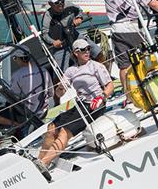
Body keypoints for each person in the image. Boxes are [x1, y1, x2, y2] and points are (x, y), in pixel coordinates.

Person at [37, 39, 114, 176]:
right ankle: (39, 161)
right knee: (52, 129)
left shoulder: (96, 66)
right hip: (80, 104)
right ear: (76, 53)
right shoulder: (71, 71)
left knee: (64, 132)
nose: (87, 52)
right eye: (83, 50)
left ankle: (45, 163)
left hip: (95, 104)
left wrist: (102, 97)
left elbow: (110, 86)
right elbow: (60, 92)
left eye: (88, 49)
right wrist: (60, 89)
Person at [0, 45, 53, 139]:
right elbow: (51, 92)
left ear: (18, 59)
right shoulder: (44, 71)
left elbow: (14, 99)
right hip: (44, 111)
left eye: (15, 59)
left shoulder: (17, 76)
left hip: (28, 115)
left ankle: (19, 128)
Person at [41, 0, 101, 70]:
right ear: (50, 4)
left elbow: (79, 10)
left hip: (74, 36)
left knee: (98, 53)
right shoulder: (48, 16)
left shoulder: (69, 5)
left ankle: (103, 73)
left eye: (62, 1)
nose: (60, 4)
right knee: (62, 74)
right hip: (61, 45)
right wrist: (53, 42)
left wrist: (79, 17)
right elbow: (44, 34)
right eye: (57, 2)